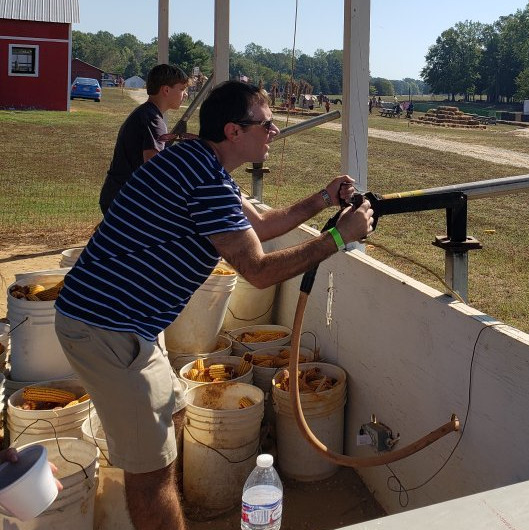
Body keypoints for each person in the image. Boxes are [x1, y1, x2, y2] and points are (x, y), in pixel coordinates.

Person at [55, 81, 373, 530]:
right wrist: (339, 237)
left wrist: (325, 198)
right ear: (233, 131)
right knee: (152, 477)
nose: (275, 131)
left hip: (112, 322)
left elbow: (259, 225)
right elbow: (258, 269)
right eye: (266, 123)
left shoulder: (198, 163)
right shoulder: (205, 177)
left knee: (161, 442)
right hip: (109, 329)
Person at [98, 64, 189, 214]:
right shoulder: (153, 120)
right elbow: (154, 168)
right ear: (166, 90)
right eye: (181, 89)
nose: (184, 94)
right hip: (127, 200)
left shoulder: (146, 113)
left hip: (119, 196)